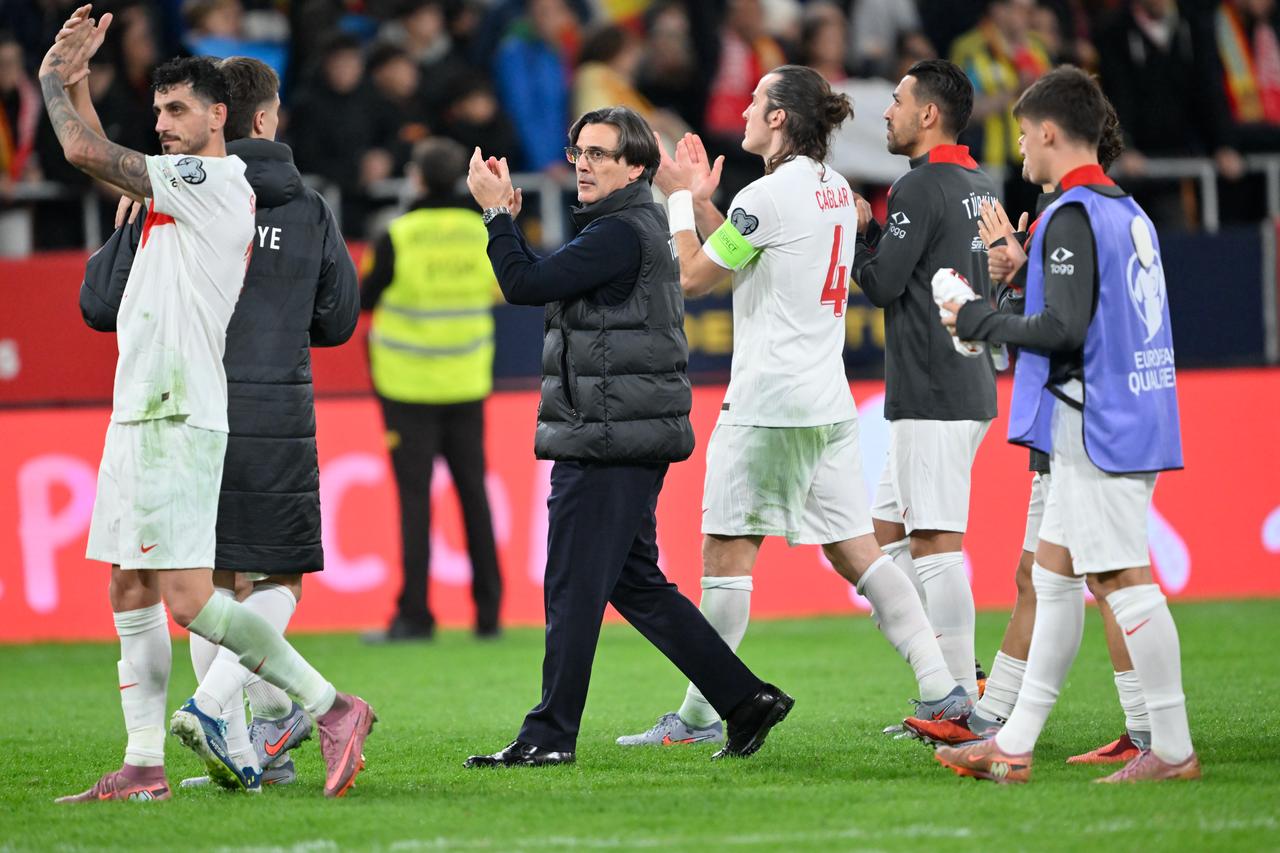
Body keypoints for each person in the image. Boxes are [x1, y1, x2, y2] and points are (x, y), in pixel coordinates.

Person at [42, 8, 373, 802]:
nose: (162, 126)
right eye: (156, 113)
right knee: (128, 585)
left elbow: (85, 151)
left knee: (192, 600)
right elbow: (107, 161)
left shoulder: (217, 183)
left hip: (182, 409)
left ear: (221, 116)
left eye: (178, 110)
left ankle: (333, 707)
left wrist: (53, 84)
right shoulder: (173, 184)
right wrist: (84, 81)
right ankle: (144, 765)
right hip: (139, 406)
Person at [616, 65, 970, 748]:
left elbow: (692, 276)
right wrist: (689, 197)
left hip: (769, 404)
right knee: (859, 554)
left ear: (779, 118)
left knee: (725, 556)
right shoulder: (832, 189)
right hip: (826, 403)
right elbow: (746, 255)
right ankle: (943, 688)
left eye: (755, 101)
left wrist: (680, 201)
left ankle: (694, 718)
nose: (745, 109)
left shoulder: (770, 194)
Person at [462, 105, 793, 767]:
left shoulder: (620, 232)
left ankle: (549, 734)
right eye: (579, 150)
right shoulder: (627, 224)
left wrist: (497, 214)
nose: (583, 163)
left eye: (600, 153)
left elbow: (524, 283)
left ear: (636, 166)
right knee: (634, 583)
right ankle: (745, 697)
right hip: (624, 428)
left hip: (608, 435)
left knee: (572, 586)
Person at [933, 66, 1198, 784]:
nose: (1020, 149)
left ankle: (1171, 749)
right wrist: (1024, 274)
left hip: (1096, 418)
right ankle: (1014, 742)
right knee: (1051, 575)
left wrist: (979, 316)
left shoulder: (1073, 213)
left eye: (1023, 134)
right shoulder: (1127, 210)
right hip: (1129, 408)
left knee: (1122, 578)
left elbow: (1065, 328)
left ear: (1049, 132)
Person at [848, 59, 1000, 707]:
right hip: (965, 381)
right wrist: (878, 238)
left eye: (898, 100)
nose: (887, 112)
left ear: (928, 115)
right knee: (884, 542)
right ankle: (954, 676)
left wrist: (857, 234)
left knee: (934, 543)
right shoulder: (978, 180)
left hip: (932, 389)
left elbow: (881, 284)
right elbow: (913, 271)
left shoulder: (918, 187)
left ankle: (959, 696)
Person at [360, 136, 503, 642]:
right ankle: (489, 615)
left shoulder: (397, 234)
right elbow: (503, 285)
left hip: (408, 387)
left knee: (415, 501)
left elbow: (365, 299)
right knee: (473, 497)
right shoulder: (480, 231)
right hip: (467, 381)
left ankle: (415, 616)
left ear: (417, 179)